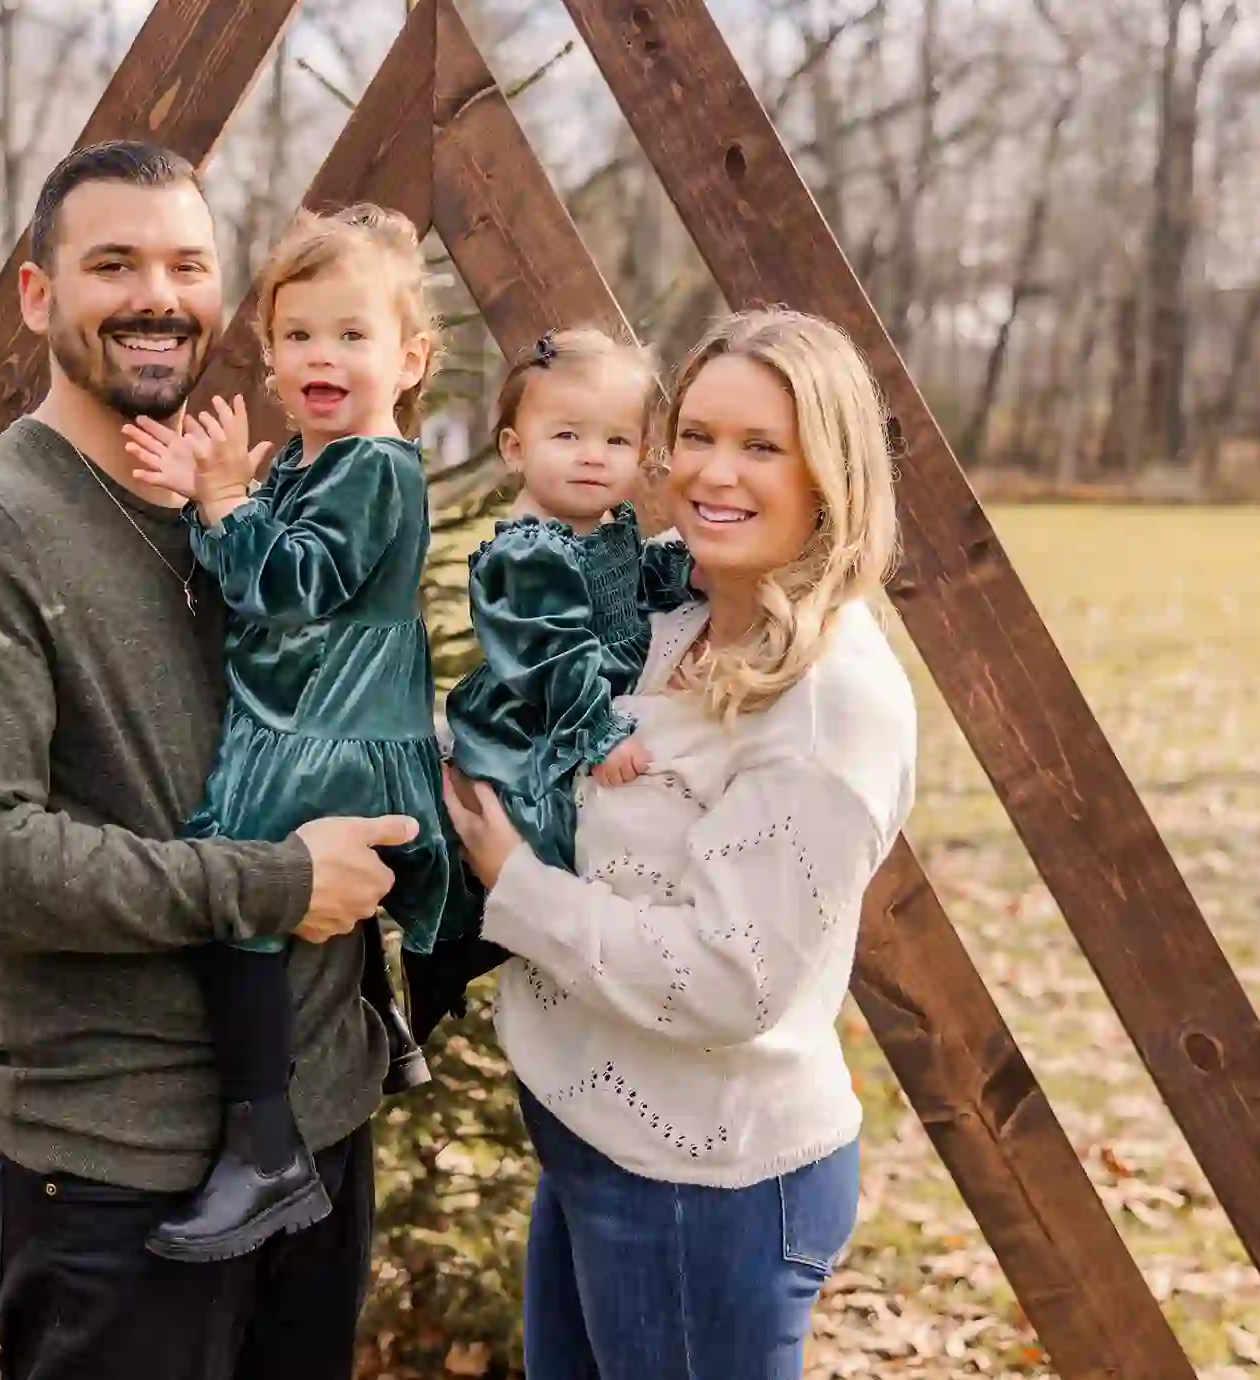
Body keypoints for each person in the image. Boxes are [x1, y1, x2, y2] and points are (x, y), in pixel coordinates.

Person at [0, 141, 407, 1380]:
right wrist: (271, 883)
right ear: (39, 297)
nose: (157, 295)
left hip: (318, 1136)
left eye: (187, 264)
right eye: (113, 263)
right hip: (121, 1177)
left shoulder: (251, 511)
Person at [442, 308, 919, 1380]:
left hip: (706, 1191)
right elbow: (532, 696)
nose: (714, 473)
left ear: (830, 474)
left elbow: (730, 979)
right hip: (591, 1137)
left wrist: (510, 882)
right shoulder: (666, 597)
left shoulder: (833, 703)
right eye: (698, 435)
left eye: (761, 446)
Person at [121, 203, 456, 1262]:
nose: (324, 355)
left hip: (330, 728)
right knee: (276, 882)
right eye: (299, 334)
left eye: (352, 335)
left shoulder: (373, 466)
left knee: (242, 884)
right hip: (318, 715)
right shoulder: (326, 462)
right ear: (268, 358)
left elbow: (291, 586)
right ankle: (382, 1026)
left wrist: (226, 500)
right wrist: (211, 500)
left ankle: (266, 1149)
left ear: (410, 358)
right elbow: (250, 569)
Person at [406, 326, 696, 1042]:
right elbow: (549, 656)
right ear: (515, 448)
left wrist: (690, 573)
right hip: (527, 730)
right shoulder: (527, 553)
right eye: (567, 435)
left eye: (616, 441)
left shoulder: (608, 528)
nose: (593, 456)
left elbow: (636, 584)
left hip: (564, 725)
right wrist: (596, 733)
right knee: (521, 852)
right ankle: (435, 969)